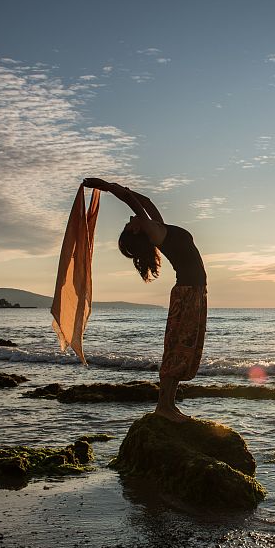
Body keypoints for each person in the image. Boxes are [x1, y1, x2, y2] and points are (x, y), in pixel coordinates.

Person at [81, 177, 207, 422]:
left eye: (131, 219)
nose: (131, 219)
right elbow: (132, 202)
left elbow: (144, 200)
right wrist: (106, 186)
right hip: (187, 294)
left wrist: (122, 189)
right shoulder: (155, 231)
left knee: (185, 347)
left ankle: (168, 405)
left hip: (196, 293)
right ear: (138, 229)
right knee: (176, 349)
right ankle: (164, 407)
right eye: (130, 222)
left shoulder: (159, 227)